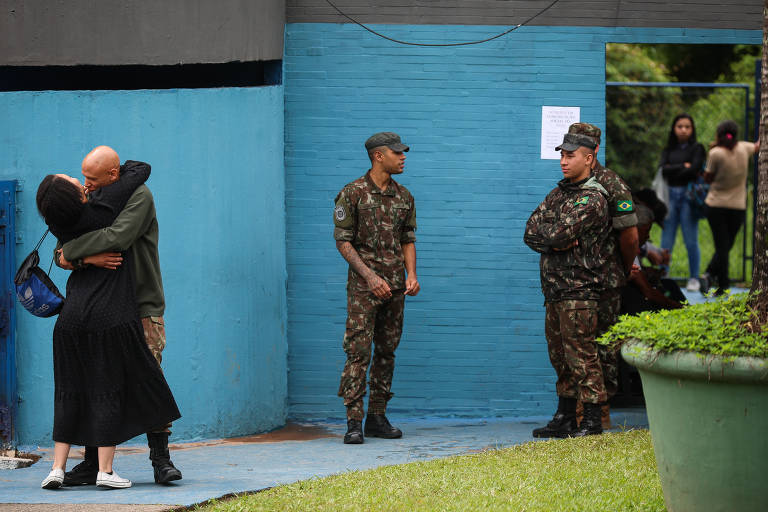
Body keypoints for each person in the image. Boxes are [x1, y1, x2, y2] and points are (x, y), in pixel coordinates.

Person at [35, 164, 180, 490]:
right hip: (106, 308)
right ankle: (91, 464)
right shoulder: (93, 203)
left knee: (149, 376)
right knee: (95, 379)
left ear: (112, 175)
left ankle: (161, 459)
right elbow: (62, 248)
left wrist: (72, 252)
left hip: (141, 301)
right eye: (82, 179)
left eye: (92, 179)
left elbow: (118, 237)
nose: (86, 185)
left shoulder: (138, 196)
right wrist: (79, 257)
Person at [524, 132, 613, 438]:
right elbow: (530, 231)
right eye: (562, 155)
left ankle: (591, 420)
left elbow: (558, 234)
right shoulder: (558, 194)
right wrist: (554, 239)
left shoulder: (593, 197)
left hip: (579, 291)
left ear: (588, 159)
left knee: (582, 355)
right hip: (555, 290)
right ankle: (565, 416)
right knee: (560, 355)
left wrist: (554, 237)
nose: (563, 161)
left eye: (570, 156)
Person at [333, 132, 420, 444]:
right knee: (357, 353)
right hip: (363, 290)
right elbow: (343, 241)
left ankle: (377, 417)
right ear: (378, 156)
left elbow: (408, 239)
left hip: (396, 289)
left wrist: (411, 275)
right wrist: (369, 277)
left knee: (386, 352)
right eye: (397, 153)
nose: (403, 157)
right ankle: (353, 421)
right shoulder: (353, 193)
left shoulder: (405, 197)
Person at [567, 123, 638, 429]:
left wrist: (623, 267)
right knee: (574, 347)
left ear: (593, 150)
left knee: (604, 344)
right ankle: (575, 411)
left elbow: (630, 236)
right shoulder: (570, 183)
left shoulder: (612, 185)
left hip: (605, 280)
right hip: (574, 281)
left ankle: (600, 412)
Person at [702, 120, 758, 296]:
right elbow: (758, 146)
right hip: (737, 206)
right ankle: (714, 277)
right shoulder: (745, 148)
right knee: (726, 246)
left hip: (716, 205)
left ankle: (715, 280)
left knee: (722, 245)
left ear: (719, 134)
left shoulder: (715, 153)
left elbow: (708, 178)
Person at [658, 113, 706, 292]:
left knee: (691, 240)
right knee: (666, 240)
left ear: (692, 129)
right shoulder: (668, 150)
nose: (683, 130)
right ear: (674, 128)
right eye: (680, 126)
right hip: (669, 197)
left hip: (688, 197)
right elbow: (663, 171)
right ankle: (662, 276)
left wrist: (675, 169)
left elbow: (694, 170)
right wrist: (683, 167)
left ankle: (694, 278)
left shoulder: (697, 148)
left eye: (687, 126)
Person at [622, 204, 685, 315]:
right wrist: (682, 308)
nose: (648, 236)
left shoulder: (635, 246)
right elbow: (648, 292)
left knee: (669, 285)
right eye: (646, 231)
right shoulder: (628, 247)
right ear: (635, 230)